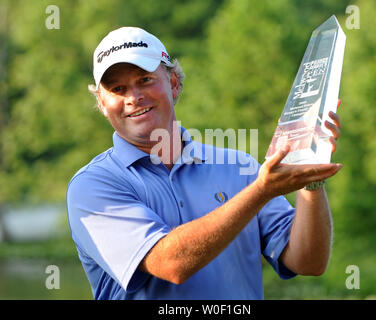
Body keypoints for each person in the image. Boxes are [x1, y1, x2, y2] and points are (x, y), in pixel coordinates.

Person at [66, 26, 343, 300]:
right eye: (117, 89)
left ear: (173, 83)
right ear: (102, 103)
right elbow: (171, 264)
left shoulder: (239, 167)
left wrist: (310, 176)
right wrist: (261, 191)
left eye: (145, 80)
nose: (133, 97)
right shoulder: (92, 186)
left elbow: (308, 262)